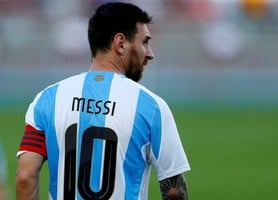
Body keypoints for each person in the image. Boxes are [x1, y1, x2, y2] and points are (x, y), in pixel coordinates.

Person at [16, 2, 190, 200]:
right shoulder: (151, 106)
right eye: (144, 42)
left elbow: (25, 176)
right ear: (120, 43)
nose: (150, 53)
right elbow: (174, 190)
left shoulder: (47, 99)